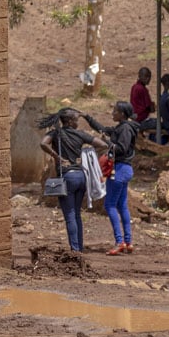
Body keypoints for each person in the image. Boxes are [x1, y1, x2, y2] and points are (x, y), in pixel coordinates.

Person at [81, 102, 139, 255]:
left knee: (110, 205)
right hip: (123, 170)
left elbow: (121, 148)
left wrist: (106, 142)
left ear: (122, 114)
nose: (112, 113)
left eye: (115, 111)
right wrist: (87, 118)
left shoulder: (125, 129)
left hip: (120, 169)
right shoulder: (122, 127)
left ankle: (119, 241)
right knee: (122, 205)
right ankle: (128, 242)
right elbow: (103, 129)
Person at [42, 111, 102, 253]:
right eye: (76, 120)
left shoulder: (56, 133)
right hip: (81, 177)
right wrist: (87, 153)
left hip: (67, 177)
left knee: (69, 215)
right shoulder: (80, 134)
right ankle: (79, 248)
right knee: (76, 214)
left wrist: (56, 156)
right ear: (69, 121)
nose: (77, 123)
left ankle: (75, 250)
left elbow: (43, 143)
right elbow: (102, 144)